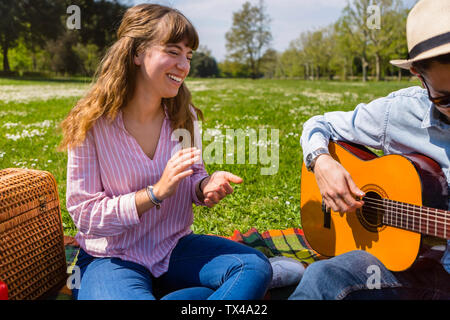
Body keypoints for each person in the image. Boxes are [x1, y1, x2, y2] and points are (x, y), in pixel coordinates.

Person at [59, 4, 272, 300]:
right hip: (110, 258)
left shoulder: (184, 117)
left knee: (252, 266)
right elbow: (84, 215)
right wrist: (155, 192)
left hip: (172, 248)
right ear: (136, 53)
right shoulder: (91, 124)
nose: (184, 65)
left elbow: (193, 178)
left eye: (188, 55)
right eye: (173, 51)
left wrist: (203, 186)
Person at [290, 0, 450, 300]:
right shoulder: (399, 113)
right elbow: (319, 124)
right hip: (408, 267)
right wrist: (322, 163)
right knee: (324, 277)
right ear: (418, 74)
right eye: (445, 100)